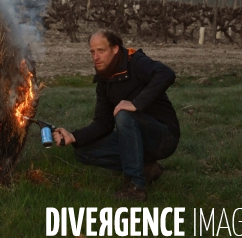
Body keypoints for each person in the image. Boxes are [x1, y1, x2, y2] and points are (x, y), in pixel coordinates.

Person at [53, 29, 180, 201]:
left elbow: (166, 74)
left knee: (123, 115)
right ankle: (146, 169)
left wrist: (136, 104)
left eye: (101, 50)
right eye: (92, 52)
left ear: (115, 49)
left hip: (163, 136)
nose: (95, 57)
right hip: (135, 139)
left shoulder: (135, 62)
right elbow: (103, 123)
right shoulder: (104, 80)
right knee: (83, 152)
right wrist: (74, 136)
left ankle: (136, 188)